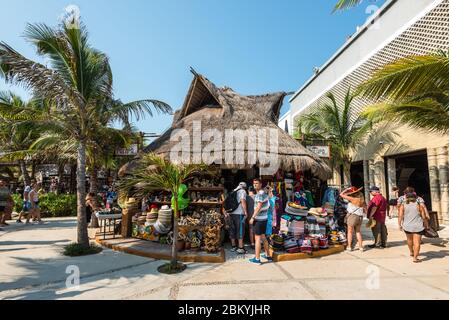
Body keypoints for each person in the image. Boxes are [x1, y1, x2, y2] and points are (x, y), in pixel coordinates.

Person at [398, 192, 429, 263]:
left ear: (406, 198)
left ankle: (411, 252)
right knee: (417, 242)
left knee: (409, 240)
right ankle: (415, 258)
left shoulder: (403, 206)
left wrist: (399, 225)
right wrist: (426, 225)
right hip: (418, 226)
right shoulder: (419, 206)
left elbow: (400, 216)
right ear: (415, 198)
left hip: (407, 226)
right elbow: (424, 217)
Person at [249, 178, 272, 264]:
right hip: (264, 219)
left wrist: (252, 217)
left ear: (261, 184)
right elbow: (269, 199)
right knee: (263, 237)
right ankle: (268, 255)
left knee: (257, 239)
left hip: (258, 219)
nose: (255, 185)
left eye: (257, 183)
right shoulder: (264, 193)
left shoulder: (259, 194)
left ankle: (257, 259)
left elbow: (258, 207)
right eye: (254, 183)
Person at [340, 186, 366, 252]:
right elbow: (366, 210)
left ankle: (349, 247)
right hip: (360, 217)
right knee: (358, 231)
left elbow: (341, 194)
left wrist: (346, 189)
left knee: (350, 232)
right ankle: (361, 247)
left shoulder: (352, 199)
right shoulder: (361, 200)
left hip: (353, 216)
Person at [227, 182, 248, 254]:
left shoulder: (233, 191)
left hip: (231, 213)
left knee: (232, 229)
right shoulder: (243, 191)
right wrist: (245, 211)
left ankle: (233, 246)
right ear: (245, 187)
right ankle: (240, 248)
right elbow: (243, 201)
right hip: (239, 213)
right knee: (240, 230)